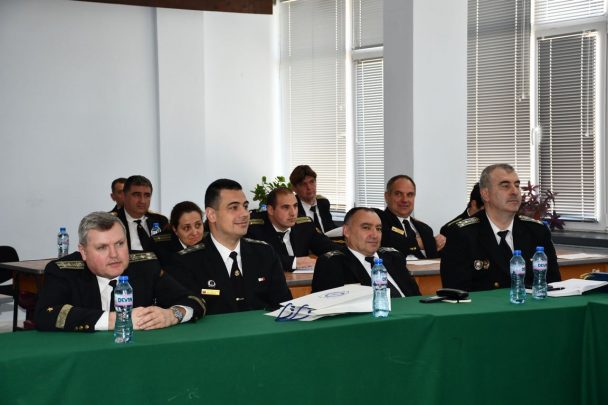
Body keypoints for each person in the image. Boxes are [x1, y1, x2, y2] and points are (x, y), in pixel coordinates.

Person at [34, 212, 206, 332]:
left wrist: (172, 315)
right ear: (83, 252)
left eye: (120, 244)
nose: (114, 254)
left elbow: (194, 300)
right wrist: (117, 320)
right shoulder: (64, 271)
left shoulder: (146, 266)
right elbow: (45, 314)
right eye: (102, 247)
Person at [168, 179, 292, 315]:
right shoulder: (186, 262)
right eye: (234, 207)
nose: (245, 214)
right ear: (211, 215)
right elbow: (185, 312)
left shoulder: (265, 253)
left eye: (245, 206)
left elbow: (285, 308)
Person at [440, 163, 561, 292]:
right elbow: (456, 292)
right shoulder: (462, 234)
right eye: (505, 186)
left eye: (517, 185)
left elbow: (553, 285)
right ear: (486, 194)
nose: (514, 192)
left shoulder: (537, 231)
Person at [312, 207, 420, 297]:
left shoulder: (394, 257)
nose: (375, 235)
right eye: (366, 228)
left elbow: (416, 298)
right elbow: (328, 308)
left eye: (378, 229)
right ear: (347, 231)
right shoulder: (333, 263)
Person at [247, 187, 338, 272]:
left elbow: (328, 247)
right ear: (270, 210)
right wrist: (294, 262)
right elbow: (257, 258)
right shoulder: (254, 229)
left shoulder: (304, 225)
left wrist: (344, 254)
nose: (293, 213)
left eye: (295, 206)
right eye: (286, 207)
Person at [377, 175, 441, 259]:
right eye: (398, 194)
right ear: (387, 196)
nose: (405, 200)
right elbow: (387, 240)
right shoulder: (378, 220)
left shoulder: (425, 229)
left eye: (410, 195)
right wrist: (419, 243)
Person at [115, 175, 169, 251]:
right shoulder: (112, 222)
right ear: (124, 196)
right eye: (137, 195)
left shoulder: (160, 221)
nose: (142, 201)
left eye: (147, 195)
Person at [152, 201, 205, 266]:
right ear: (175, 230)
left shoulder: (209, 240)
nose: (194, 233)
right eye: (187, 228)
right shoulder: (160, 249)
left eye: (198, 225)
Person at [289, 165, 337, 232]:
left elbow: (331, 228)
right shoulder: (292, 208)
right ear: (294, 188)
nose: (309, 187)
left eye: (312, 182)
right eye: (303, 184)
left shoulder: (323, 203)